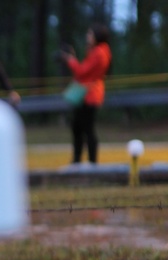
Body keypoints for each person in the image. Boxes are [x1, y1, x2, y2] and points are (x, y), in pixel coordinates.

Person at [60, 24, 112, 164]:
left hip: (90, 95)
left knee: (86, 128)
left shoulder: (99, 52)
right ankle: (79, 160)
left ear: (97, 36)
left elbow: (82, 72)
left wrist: (70, 60)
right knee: (78, 127)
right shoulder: (98, 51)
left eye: (90, 34)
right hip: (88, 93)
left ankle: (90, 161)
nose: (87, 37)